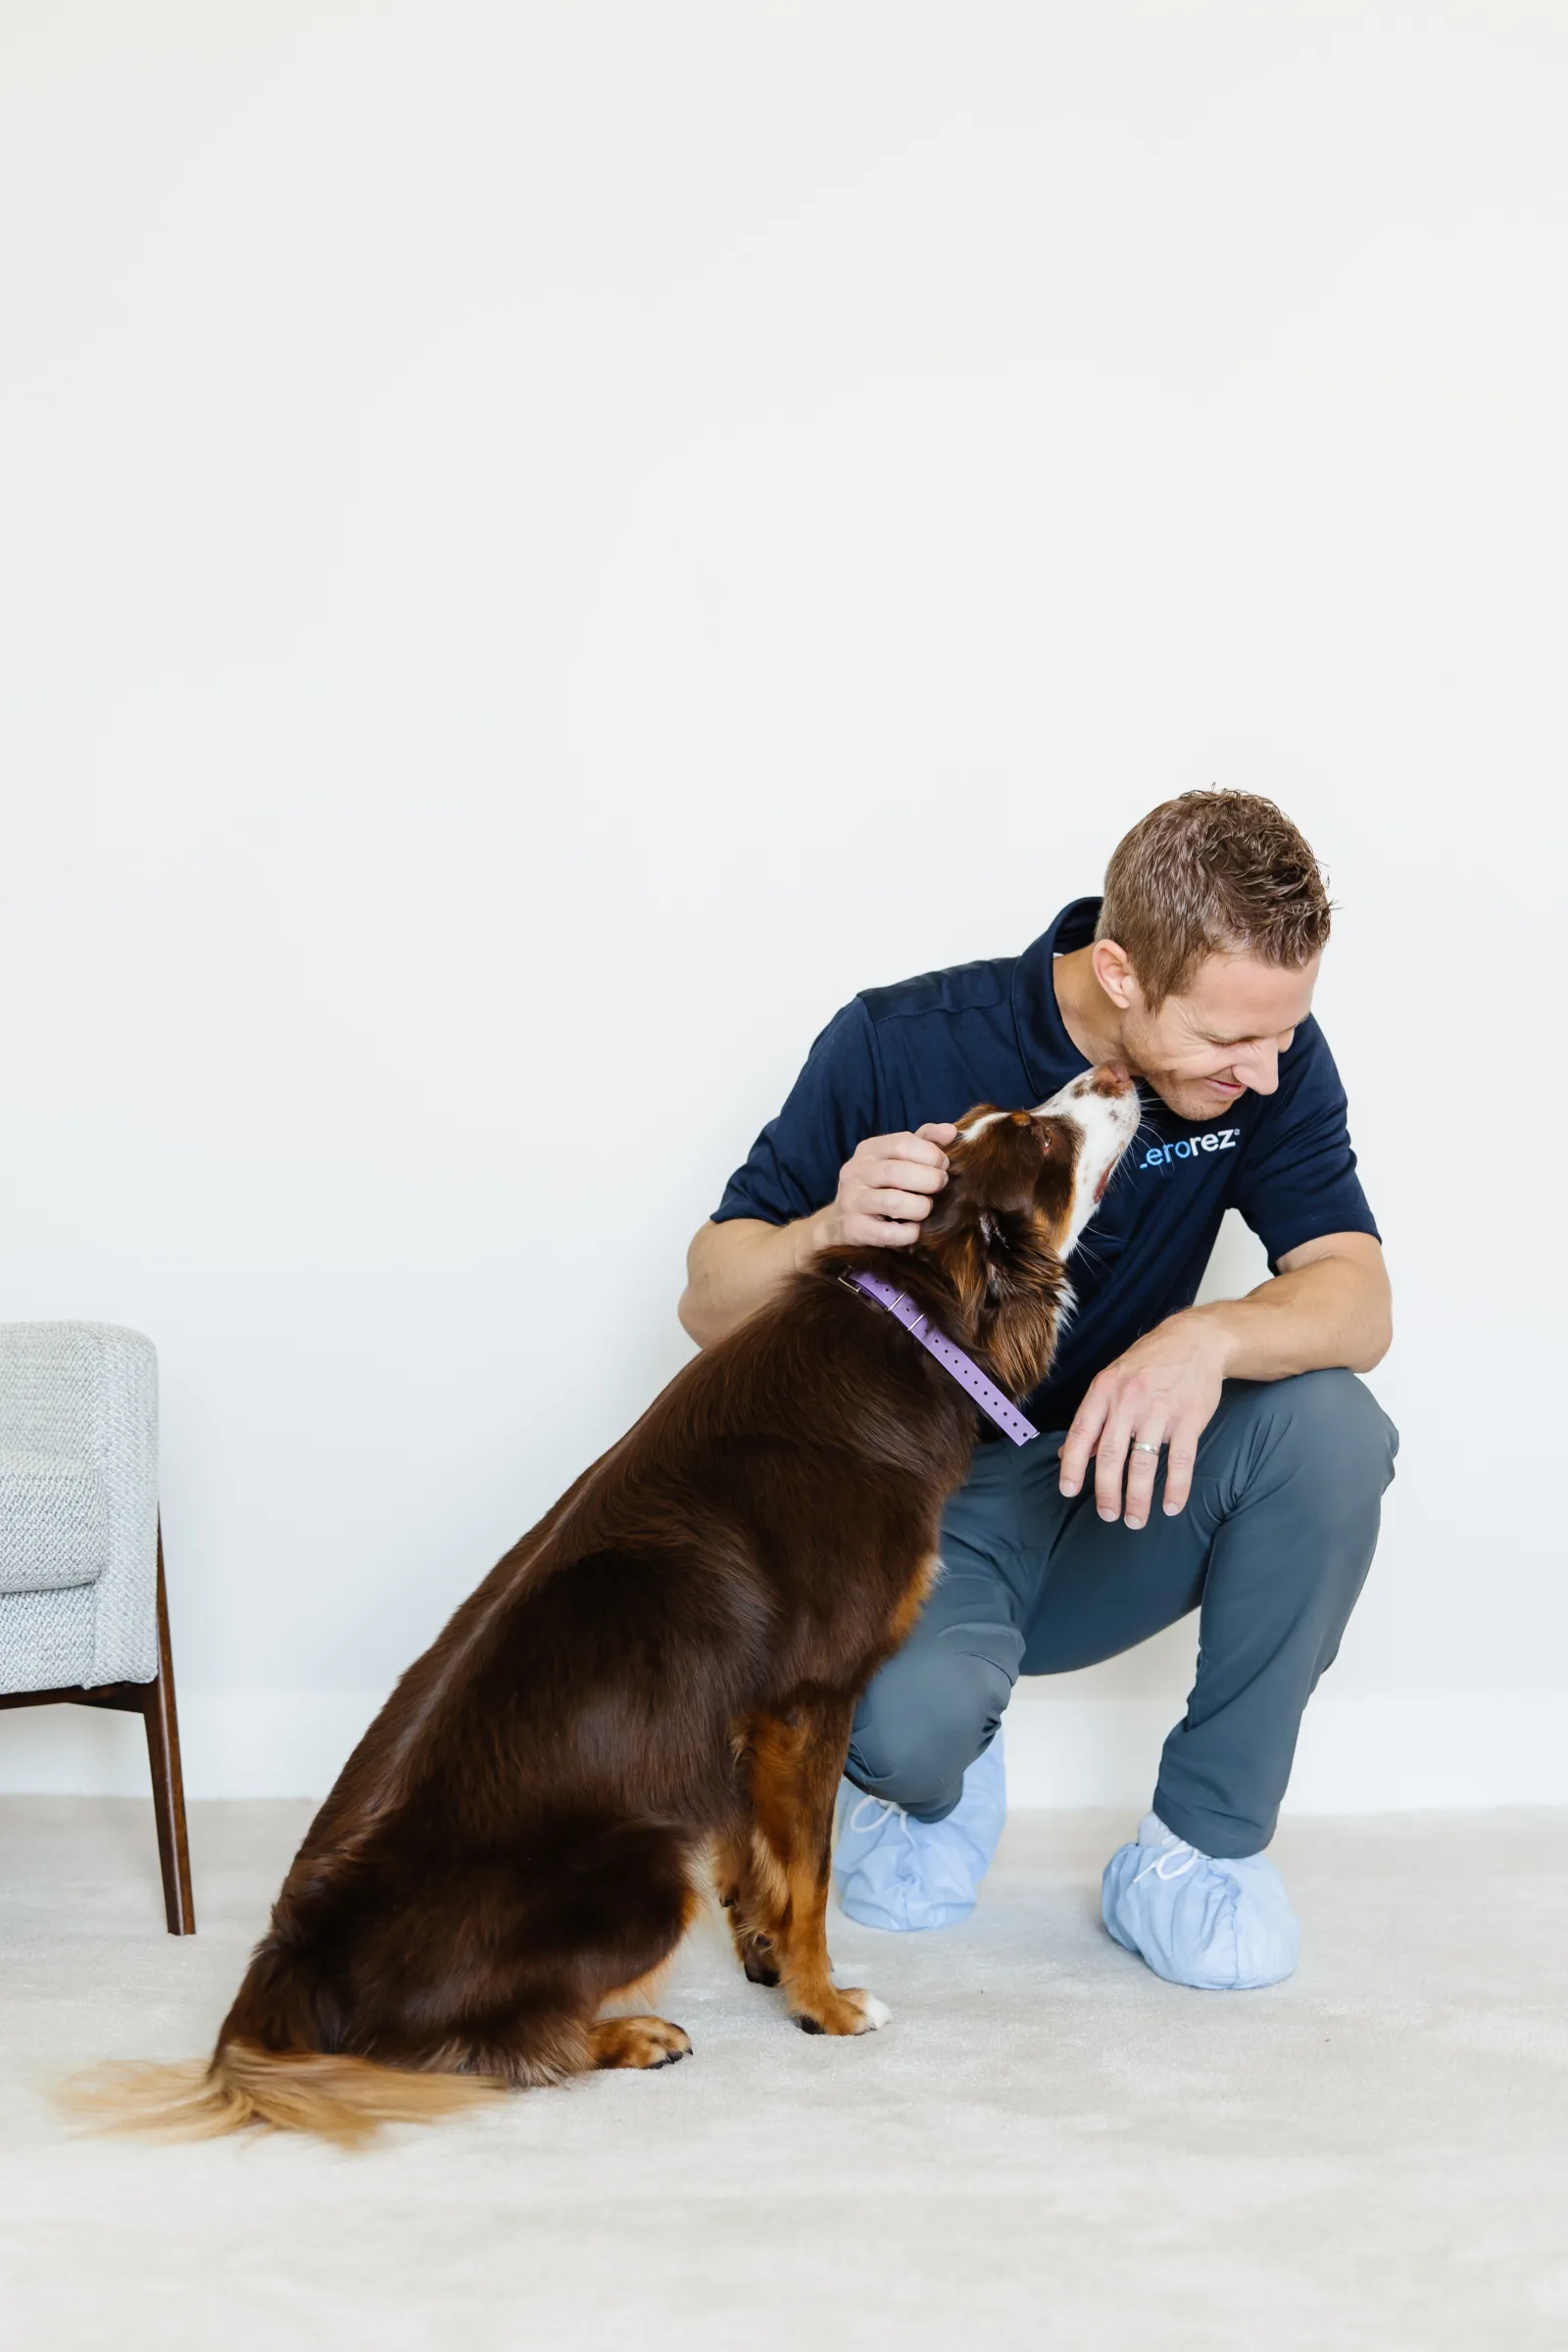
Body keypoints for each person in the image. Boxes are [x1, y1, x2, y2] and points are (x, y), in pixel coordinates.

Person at [678, 791, 1396, 1990]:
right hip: (933, 1506)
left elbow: (1356, 1299)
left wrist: (1205, 1338)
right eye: (1228, 1042)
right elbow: (708, 1299)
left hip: (1132, 1476)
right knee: (905, 1737)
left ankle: (1196, 1854)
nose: (1265, 1072)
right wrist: (825, 1230)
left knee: (1331, 1428)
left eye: (1283, 1036)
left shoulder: (1265, 1057)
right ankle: (945, 1762)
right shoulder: (896, 1039)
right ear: (1118, 971)